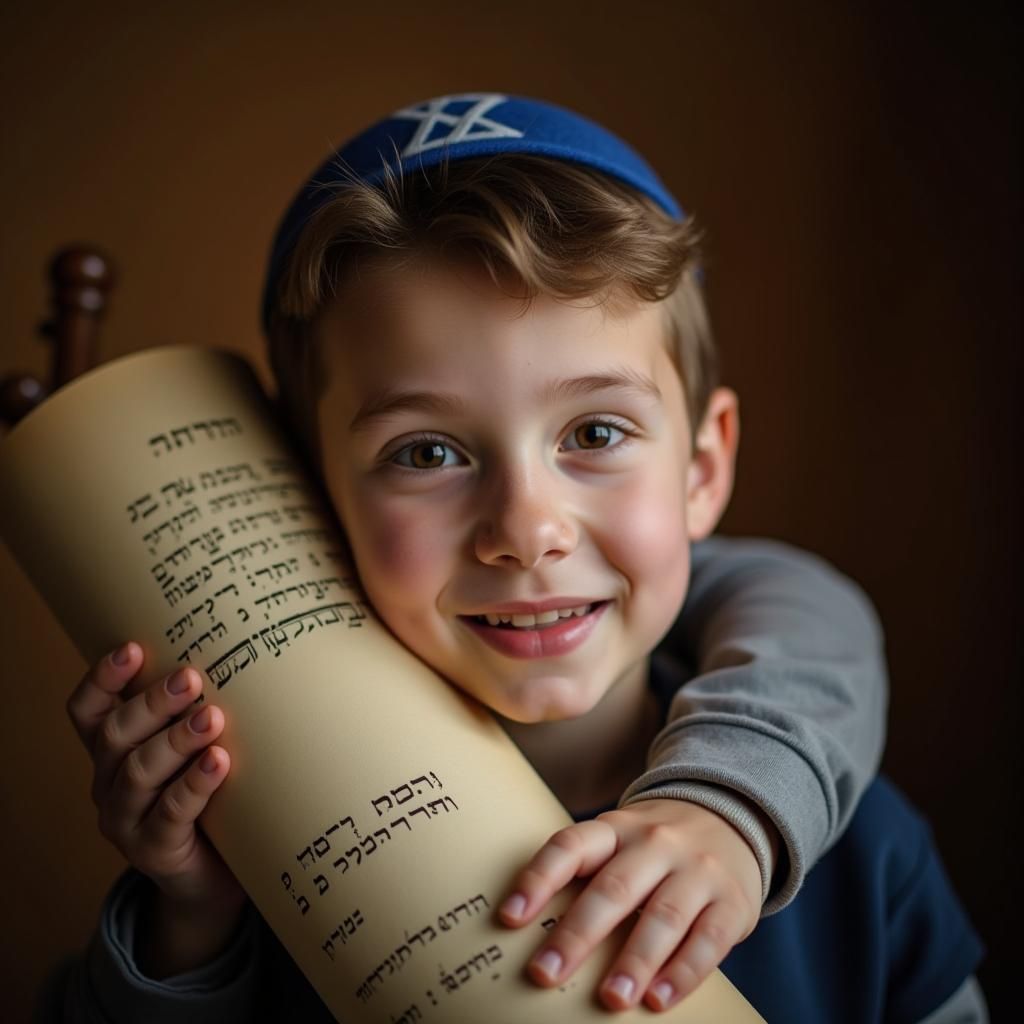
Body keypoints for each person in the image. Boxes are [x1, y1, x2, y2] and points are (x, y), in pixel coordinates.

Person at [40, 94, 983, 1022]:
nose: (527, 529)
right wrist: (192, 924)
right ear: (311, 503)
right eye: (426, 452)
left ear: (702, 469)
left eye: (596, 431)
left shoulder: (858, 856)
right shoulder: (257, 879)